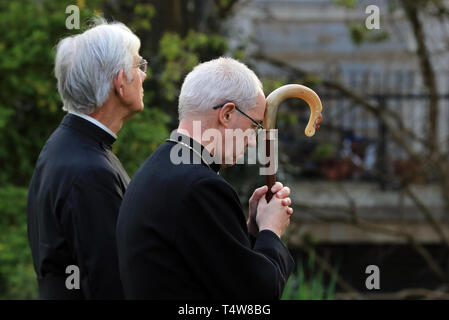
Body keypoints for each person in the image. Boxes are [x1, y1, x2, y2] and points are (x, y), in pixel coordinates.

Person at [116, 57, 295, 299]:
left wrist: (252, 232)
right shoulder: (200, 187)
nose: (252, 141)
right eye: (254, 126)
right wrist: (271, 231)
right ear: (228, 114)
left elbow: (212, 273)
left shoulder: (159, 167)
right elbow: (256, 297)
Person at [27, 18, 147, 299]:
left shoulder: (65, 145)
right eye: (138, 66)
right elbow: (110, 285)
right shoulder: (91, 171)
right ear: (120, 82)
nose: (144, 76)